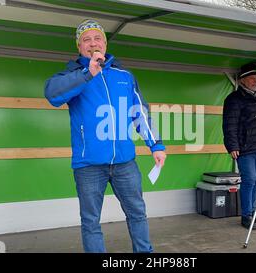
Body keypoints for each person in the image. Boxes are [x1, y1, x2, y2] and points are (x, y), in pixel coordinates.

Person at [44, 19, 167, 253]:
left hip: (125, 163)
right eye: (86, 40)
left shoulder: (124, 76)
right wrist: (87, 73)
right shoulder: (73, 74)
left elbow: (139, 112)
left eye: (97, 38)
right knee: (91, 222)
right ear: (79, 47)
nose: (93, 43)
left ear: (105, 43)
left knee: (137, 214)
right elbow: (52, 94)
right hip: (88, 165)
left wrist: (156, 145)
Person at [222, 64, 256, 229]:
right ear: (243, 80)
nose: (255, 81)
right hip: (245, 148)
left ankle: (253, 213)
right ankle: (246, 216)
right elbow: (229, 125)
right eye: (251, 79)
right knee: (249, 180)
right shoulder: (234, 99)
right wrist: (232, 146)